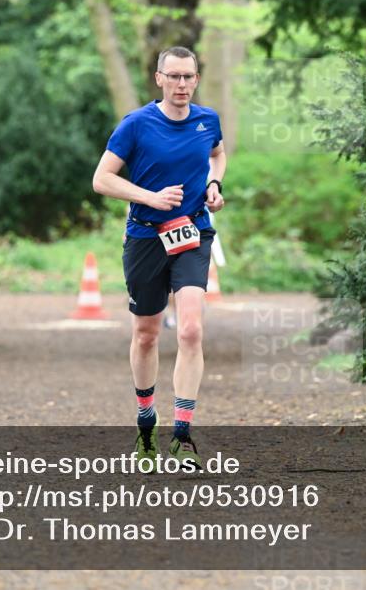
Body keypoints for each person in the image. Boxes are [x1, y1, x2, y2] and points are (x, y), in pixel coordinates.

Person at [92, 46, 226, 469]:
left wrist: (214, 185)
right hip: (146, 237)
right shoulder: (136, 125)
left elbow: (217, 154)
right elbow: (102, 179)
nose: (182, 84)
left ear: (197, 79)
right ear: (159, 79)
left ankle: (182, 434)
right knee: (147, 334)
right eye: (174, 77)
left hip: (192, 232)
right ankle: (146, 423)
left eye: (189, 77)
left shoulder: (208, 120)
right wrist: (149, 197)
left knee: (189, 330)